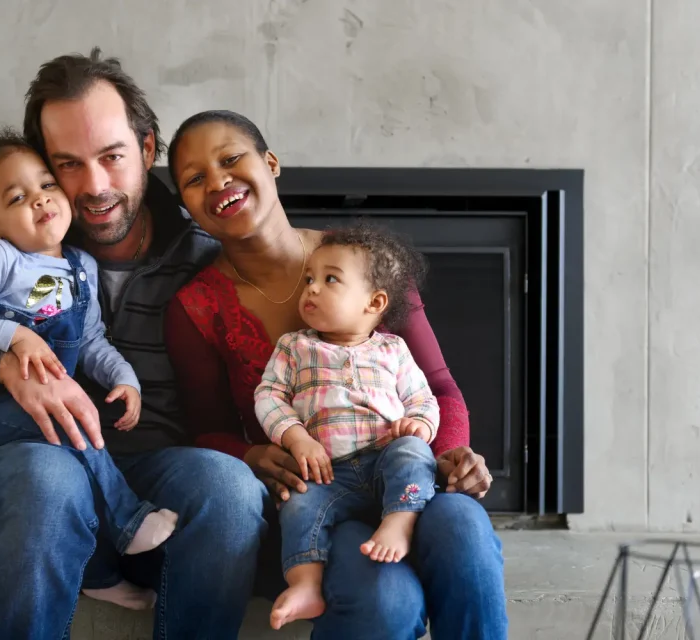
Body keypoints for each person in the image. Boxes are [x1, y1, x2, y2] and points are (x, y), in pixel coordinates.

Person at [0, 50, 267, 640]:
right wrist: (0, 366)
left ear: (147, 149)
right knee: (51, 478)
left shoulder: (201, 251)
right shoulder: (0, 238)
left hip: (150, 490)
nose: (93, 187)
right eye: (67, 164)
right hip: (23, 489)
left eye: (113, 157)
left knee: (228, 487)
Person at [164, 109, 509, 639]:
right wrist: (255, 455)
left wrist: (452, 455)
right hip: (318, 504)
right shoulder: (196, 307)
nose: (218, 181)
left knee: (463, 529)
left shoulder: (365, 264)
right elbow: (206, 430)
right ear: (184, 201)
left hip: (407, 479)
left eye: (231, 159)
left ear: (270, 163)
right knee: (383, 600)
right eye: (193, 178)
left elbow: (436, 388)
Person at [0, 129, 179, 583]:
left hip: (49, 404)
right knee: (75, 429)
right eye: (16, 198)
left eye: (46, 186)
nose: (40, 200)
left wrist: (125, 378)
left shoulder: (80, 268)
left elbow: (90, 341)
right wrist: (14, 337)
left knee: (75, 444)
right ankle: (129, 521)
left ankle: (98, 577)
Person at [255, 223, 444, 629]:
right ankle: (306, 583)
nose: (312, 289)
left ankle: (400, 520)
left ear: (374, 302)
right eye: (309, 279)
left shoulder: (393, 349)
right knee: (298, 502)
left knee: (414, 454)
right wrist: (296, 436)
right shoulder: (295, 346)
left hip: (385, 461)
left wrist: (418, 426)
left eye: (330, 280)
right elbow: (268, 396)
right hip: (327, 472)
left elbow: (424, 400)